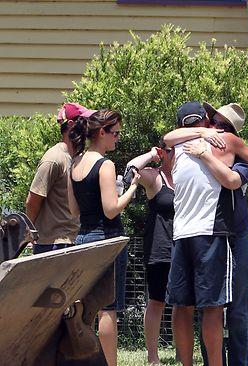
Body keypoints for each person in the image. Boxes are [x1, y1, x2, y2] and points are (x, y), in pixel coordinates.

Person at [166, 102, 248, 366]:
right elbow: (168, 138)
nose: (213, 127)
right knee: (193, 305)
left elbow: (245, 174)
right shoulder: (191, 140)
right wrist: (200, 135)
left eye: (219, 124)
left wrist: (206, 153)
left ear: (229, 130)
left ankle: (238, 363)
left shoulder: (230, 146)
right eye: (212, 122)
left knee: (233, 308)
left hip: (231, 234)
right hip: (195, 231)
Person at [67, 109, 140, 366]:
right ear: (102, 132)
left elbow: (74, 210)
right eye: (116, 133)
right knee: (108, 309)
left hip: (82, 239)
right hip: (107, 239)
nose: (118, 138)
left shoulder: (74, 162)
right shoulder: (105, 164)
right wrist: (132, 189)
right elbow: (111, 209)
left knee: (86, 309)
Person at [125, 142, 175, 365]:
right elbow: (130, 169)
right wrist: (152, 154)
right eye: (172, 151)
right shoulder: (155, 178)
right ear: (164, 153)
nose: (177, 155)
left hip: (183, 245)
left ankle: (183, 354)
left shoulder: (185, 177)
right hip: (159, 247)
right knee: (157, 301)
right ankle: (153, 357)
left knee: (184, 304)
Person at [25, 103, 93, 254]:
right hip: (53, 244)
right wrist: (29, 233)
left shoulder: (76, 158)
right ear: (71, 125)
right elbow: (33, 200)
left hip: (73, 241)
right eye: (85, 122)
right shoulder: (54, 158)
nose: (89, 127)